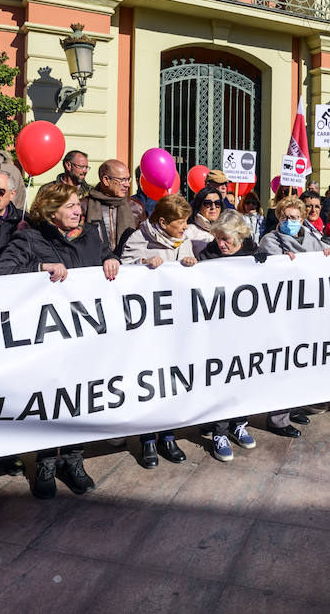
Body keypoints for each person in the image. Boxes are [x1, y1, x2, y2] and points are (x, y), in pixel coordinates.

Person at [0, 185, 120, 497]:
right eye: (71, 206)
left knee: (81, 399)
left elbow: (104, 256)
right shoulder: (31, 238)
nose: (78, 210)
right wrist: (40, 268)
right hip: (48, 338)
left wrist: (111, 258)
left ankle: (74, 461)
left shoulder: (91, 234)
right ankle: (47, 462)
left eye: (78, 205)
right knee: (52, 400)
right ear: (50, 211)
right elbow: (0, 273)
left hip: (86, 337)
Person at [120, 195, 198, 466]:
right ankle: (147, 440)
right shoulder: (139, 238)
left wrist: (189, 263)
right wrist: (142, 266)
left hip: (174, 324)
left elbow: (190, 274)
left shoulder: (184, 240)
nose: (185, 227)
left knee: (172, 381)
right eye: (181, 222)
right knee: (149, 382)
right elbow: (123, 273)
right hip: (146, 325)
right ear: (162, 222)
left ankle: (168, 435)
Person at [255, 195, 330, 437]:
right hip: (283, 312)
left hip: (307, 310)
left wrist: (328, 253)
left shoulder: (310, 238)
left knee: (302, 360)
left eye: (296, 217)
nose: (292, 221)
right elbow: (273, 271)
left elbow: (322, 257)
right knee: (283, 364)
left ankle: (294, 407)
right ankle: (277, 419)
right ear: (279, 217)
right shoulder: (271, 240)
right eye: (287, 217)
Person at [196, 210, 259, 461]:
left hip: (246, 331)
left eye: (226, 240)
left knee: (243, 376)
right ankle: (219, 431)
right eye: (218, 239)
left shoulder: (255, 256)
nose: (221, 244)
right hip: (217, 334)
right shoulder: (207, 256)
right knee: (222, 380)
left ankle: (238, 424)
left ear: (240, 237)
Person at [82, 159, 143, 253]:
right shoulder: (83, 206)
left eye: (128, 179)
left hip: (127, 264)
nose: (127, 184)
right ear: (106, 180)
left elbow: (143, 244)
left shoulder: (136, 207)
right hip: (95, 265)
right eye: (122, 180)